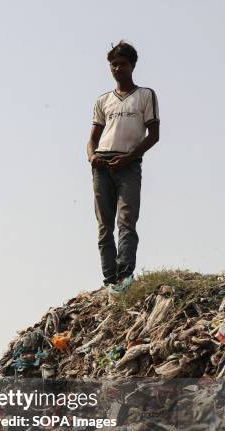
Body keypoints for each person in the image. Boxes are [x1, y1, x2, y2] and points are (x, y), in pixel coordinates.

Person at [87, 41, 160, 296]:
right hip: (103, 164)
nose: (118, 68)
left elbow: (153, 135)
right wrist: (91, 156)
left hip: (128, 164)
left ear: (132, 65)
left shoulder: (145, 95)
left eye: (122, 64)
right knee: (104, 224)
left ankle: (124, 275)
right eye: (113, 64)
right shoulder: (103, 100)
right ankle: (109, 280)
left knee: (127, 220)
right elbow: (92, 138)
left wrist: (129, 158)